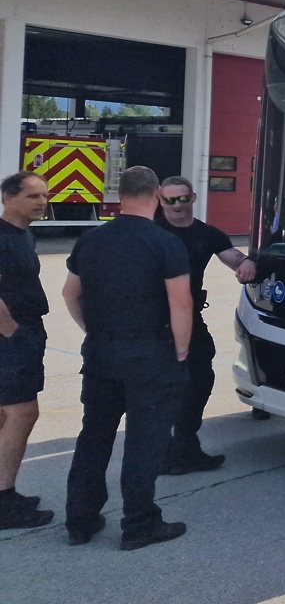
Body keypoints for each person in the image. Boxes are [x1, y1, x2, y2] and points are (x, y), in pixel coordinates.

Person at [63, 166, 193, 550]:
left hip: (102, 352)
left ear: (120, 196)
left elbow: (70, 293)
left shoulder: (91, 240)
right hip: (150, 354)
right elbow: (181, 304)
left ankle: (80, 520)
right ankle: (139, 524)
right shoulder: (165, 243)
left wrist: (93, 331)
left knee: (94, 436)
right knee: (144, 440)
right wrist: (182, 352)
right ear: (156, 195)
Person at [155, 175, 258, 473]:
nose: (176, 206)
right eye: (169, 200)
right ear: (160, 200)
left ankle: (185, 445)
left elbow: (235, 258)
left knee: (200, 381)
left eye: (182, 199)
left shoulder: (207, 234)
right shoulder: (152, 232)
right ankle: (160, 452)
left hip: (190, 319)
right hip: (153, 322)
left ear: (193, 198)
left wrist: (248, 262)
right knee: (160, 389)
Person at [0, 172, 53, 529]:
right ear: (8, 197)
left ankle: (5, 491)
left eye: (45, 196)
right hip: (11, 339)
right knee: (22, 414)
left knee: (6, 415)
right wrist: (12, 332)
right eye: (33, 196)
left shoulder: (22, 235)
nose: (41, 202)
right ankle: (4, 502)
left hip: (23, 333)